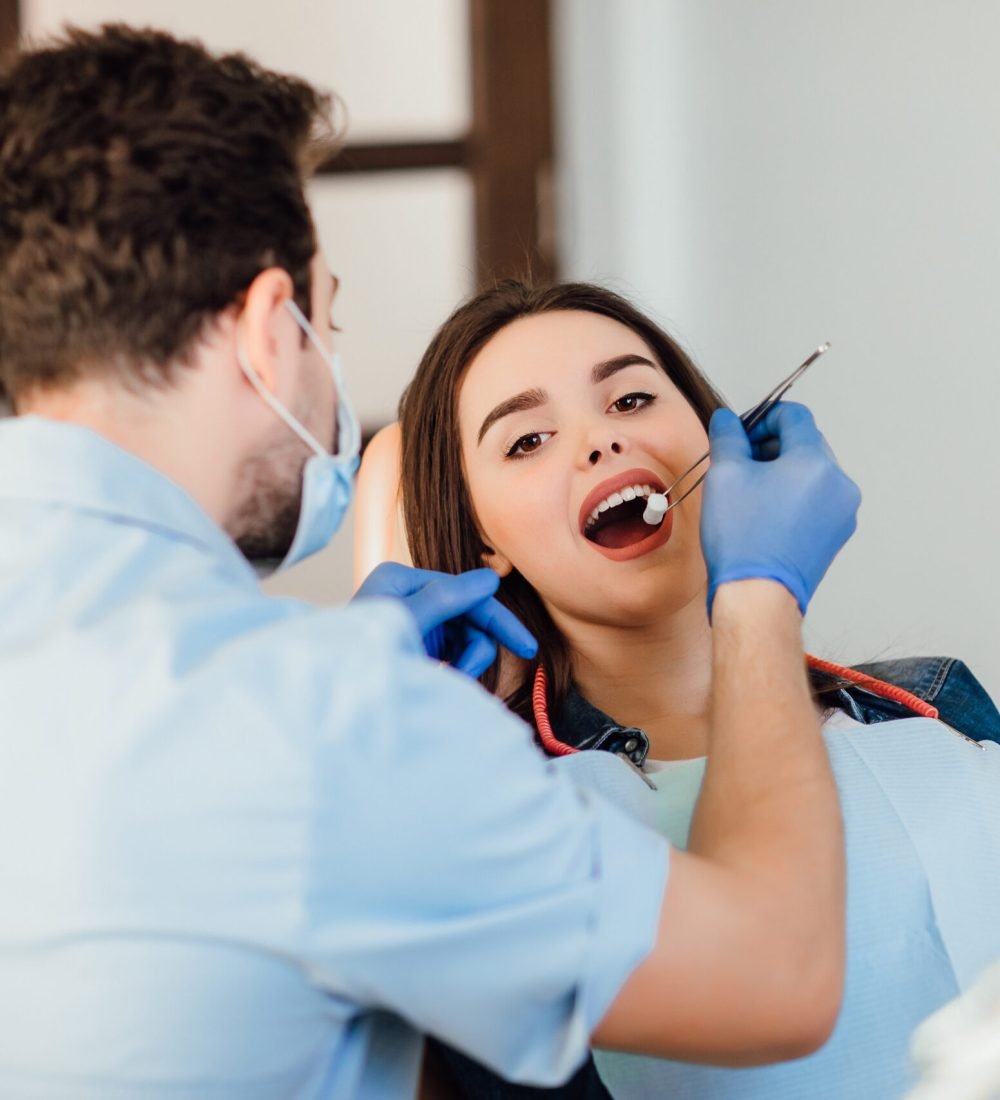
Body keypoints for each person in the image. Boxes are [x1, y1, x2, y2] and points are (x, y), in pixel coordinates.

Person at [0, 26, 862, 1100]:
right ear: (274, 330)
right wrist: (761, 593)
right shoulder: (327, 722)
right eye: (331, 317)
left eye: (633, 396)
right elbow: (775, 975)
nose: (601, 441)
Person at [390, 279, 1000, 1100]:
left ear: (722, 441)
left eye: (632, 397)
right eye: (527, 441)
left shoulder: (934, 706)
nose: (600, 442)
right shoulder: (484, 815)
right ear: (482, 538)